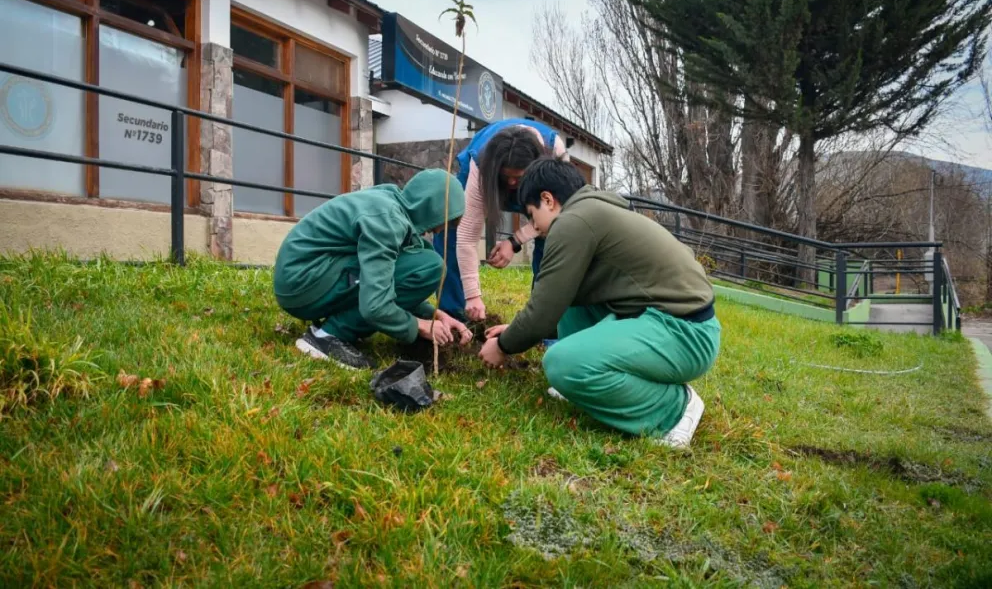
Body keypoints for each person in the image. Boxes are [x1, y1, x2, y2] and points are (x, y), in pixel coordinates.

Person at [479, 158, 721, 449]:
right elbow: (556, 301)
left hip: (684, 334)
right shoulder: (593, 211)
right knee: (569, 299)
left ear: (548, 199)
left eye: (532, 216)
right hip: (670, 321)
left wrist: (504, 345)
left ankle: (674, 409)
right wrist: (516, 330)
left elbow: (541, 314)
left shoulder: (573, 222)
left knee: (560, 364)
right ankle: (583, 380)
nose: (535, 228)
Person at [274, 168, 472, 369]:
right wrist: (419, 326)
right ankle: (328, 336)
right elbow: (375, 305)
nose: (438, 230)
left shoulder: (391, 204)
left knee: (421, 257)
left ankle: (335, 327)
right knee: (429, 266)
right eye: (443, 222)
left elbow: (390, 279)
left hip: (306, 276)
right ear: (431, 207)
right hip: (302, 283)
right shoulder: (387, 220)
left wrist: (436, 315)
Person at [433, 119, 568, 323]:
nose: (512, 183)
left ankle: (545, 319)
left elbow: (556, 214)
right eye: (507, 177)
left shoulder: (555, 152)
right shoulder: (480, 163)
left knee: (554, 237)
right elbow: (467, 238)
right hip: (485, 173)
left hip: (542, 188)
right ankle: (454, 316)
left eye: (518, 177)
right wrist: (473, 296)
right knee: (449, 227)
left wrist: (514, 242)